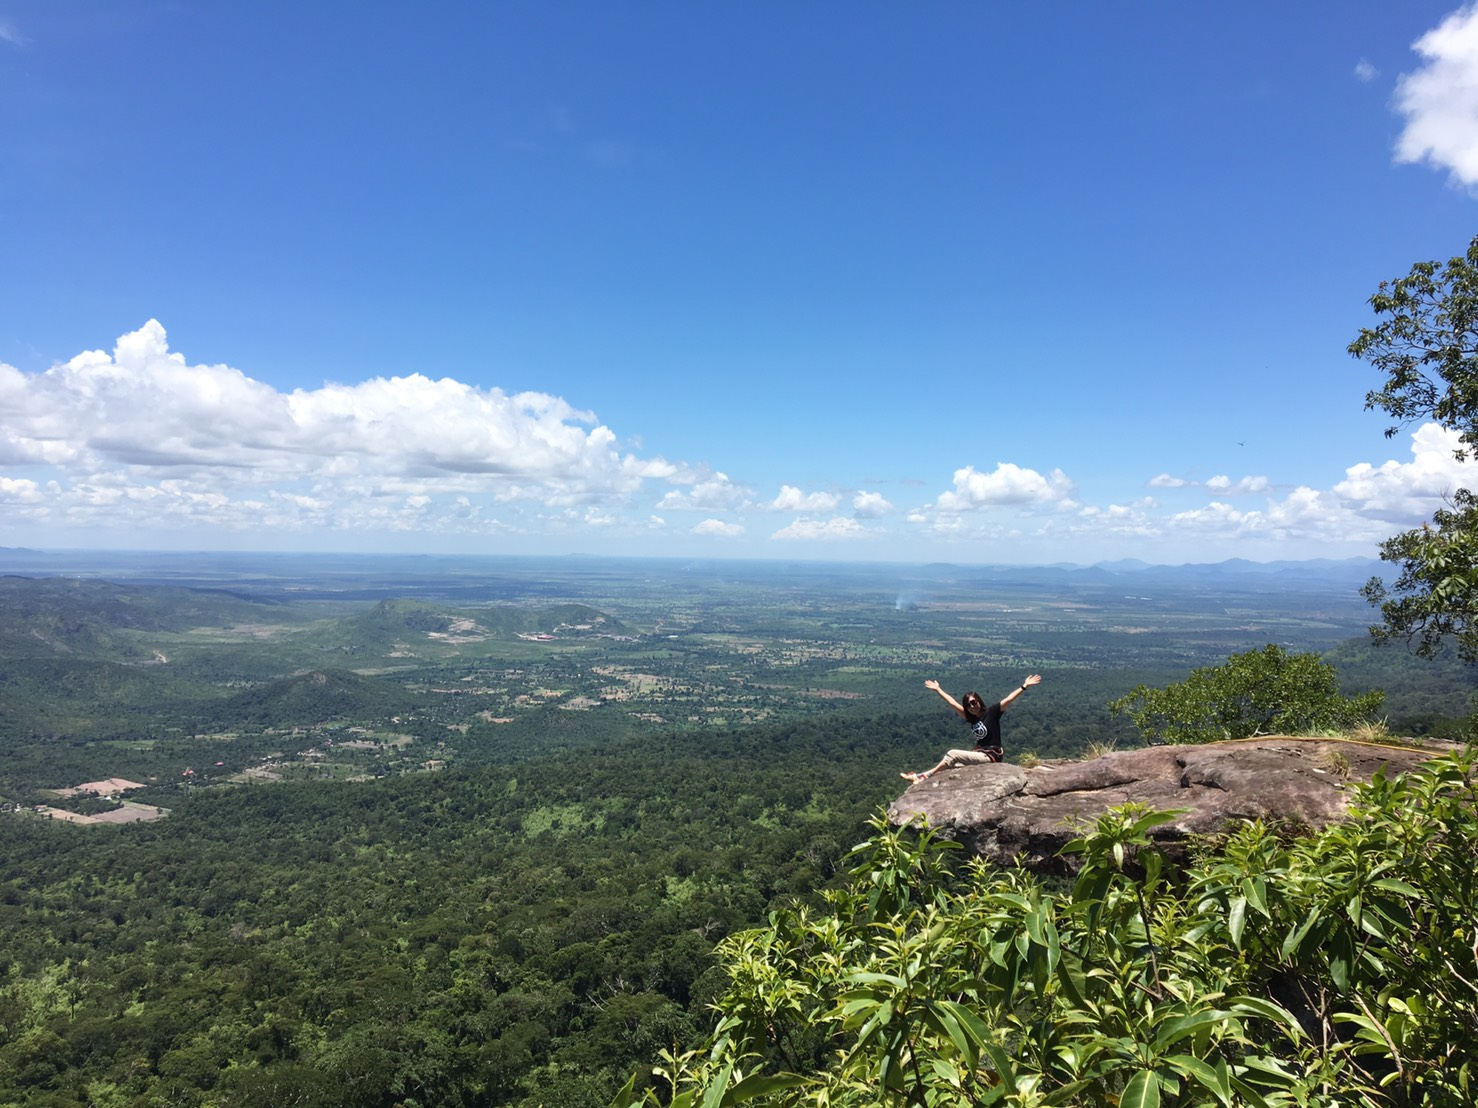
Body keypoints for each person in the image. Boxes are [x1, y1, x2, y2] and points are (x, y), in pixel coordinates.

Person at [901, 674, 1042, 782]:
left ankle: (925, 776)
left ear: (979, 701)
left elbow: (1009, 699)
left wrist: (1025, 686)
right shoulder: (971, 718)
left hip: (990, 756)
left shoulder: (992, 713)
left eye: (974, 702)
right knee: (951, 766)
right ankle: (918, 776)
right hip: (980, 755)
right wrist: (938, 690)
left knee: (952, 754)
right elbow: (952, 703)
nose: (972, 706)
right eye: (968, 705)